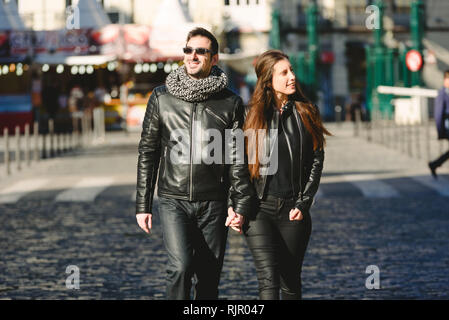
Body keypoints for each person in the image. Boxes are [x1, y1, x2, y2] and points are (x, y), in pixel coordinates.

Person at [135, 27, 253, 300]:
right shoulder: (161, 97)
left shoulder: (230, 102)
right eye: (188, 50)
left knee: (209, 275)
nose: (193, 56)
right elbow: (148, 152)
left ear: (214, 59)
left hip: (214, 200)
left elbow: (236, 157)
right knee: (181, 267)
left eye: (201, 51)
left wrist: (239, 202)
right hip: (173, 199)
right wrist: (143, 205)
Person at [229, 50, 331, 300]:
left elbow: (316, 160)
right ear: (268, 79)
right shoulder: (248, 115)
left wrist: (303, 202)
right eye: (284, 73)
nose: (292, 77)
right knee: (268, 280)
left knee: (290, 281)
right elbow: (237, 165)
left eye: (292, 70)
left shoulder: (307, 112)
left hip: (293, 211)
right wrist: (236, 205)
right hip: (258, 209)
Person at [428, 70, 449, 179]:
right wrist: (440, 131)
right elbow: (438, 114)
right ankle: (434, 164)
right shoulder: (442, 94)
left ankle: (434, 164)